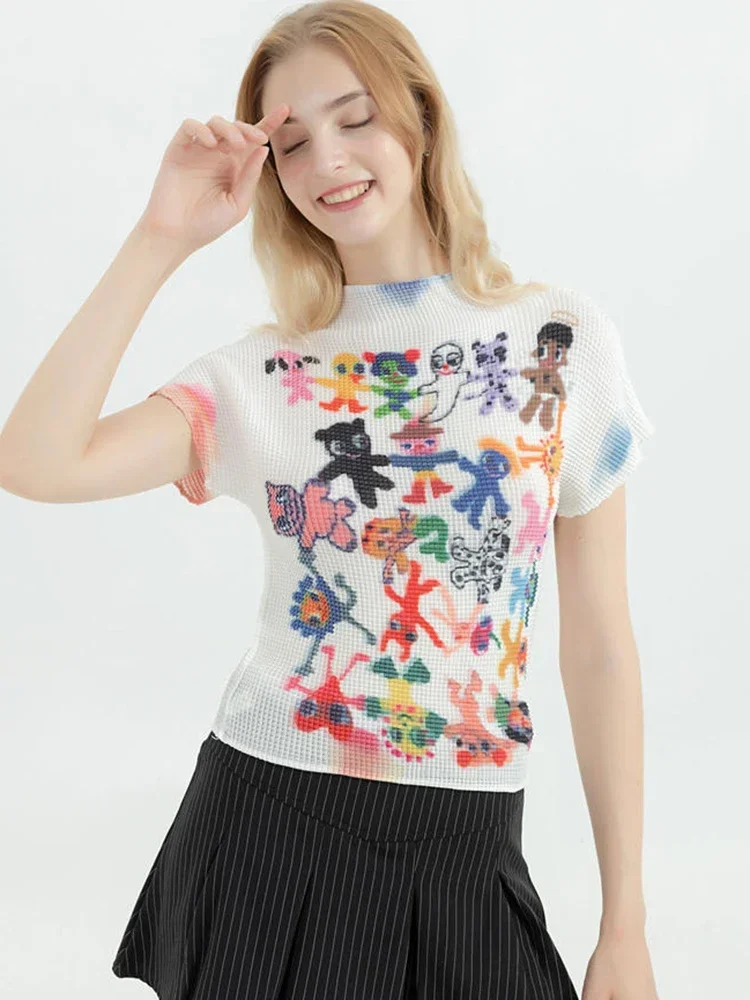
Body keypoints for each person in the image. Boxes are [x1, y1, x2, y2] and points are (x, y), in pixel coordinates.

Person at [0, 2, 660, 998]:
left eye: (356, 118)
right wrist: (159, 236)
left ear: (421, 116)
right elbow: (37, 462)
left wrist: (625, 921)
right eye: (294, 142)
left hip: (469, 843)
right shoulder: (263, 376)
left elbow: (601, 644)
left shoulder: (556, 344)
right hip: (268, 834)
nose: (329, 161)